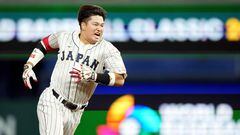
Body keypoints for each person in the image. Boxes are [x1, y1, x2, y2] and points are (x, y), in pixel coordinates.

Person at [22, 4, 127, 135]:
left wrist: (95, 76)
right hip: (53, 101)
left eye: (102, 25)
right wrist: (29, 65)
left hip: (76, 111)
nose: (99, 29)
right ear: (83, 25)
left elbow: (120, 78)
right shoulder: (64, 37)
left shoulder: (108, 49)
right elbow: (44, 44)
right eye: (95, 24)